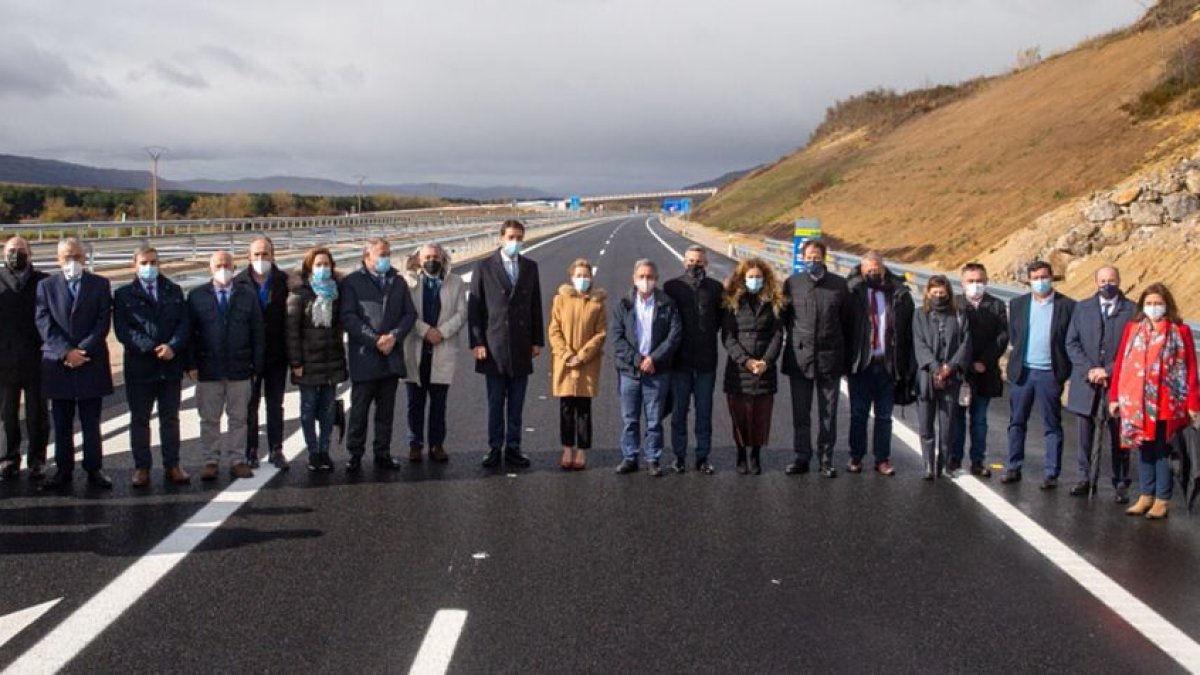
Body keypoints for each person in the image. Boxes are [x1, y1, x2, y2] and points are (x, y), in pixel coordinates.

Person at [1108, 283, 1200, 520]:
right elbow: (1121, 363)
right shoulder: (1133, 328)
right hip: (1136, 402)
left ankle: (1162, 498)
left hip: (1166, 402)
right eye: (1149, 303)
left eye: (1158, 303)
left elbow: (1190, 369)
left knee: (1163, 450)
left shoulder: (1180, 331)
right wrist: (1115, 397)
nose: (1154, 307)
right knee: (1144, 447)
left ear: (1167, 304)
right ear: (1142, 306)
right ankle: (1145, 494)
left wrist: (1193, 403)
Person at [35, 238, 114, 490]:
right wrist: (65, 352)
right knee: (61, 421)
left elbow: (102, 321)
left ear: (85, 258)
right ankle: (63, 469)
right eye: (68, 257)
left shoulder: (100, 284)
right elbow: (43, 321)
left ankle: (94, 468)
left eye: (78, 257)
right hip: (58, 363)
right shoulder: (46, 286)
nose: (73, 262)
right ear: (59, 259)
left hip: (90, 360)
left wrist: (82, 350)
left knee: (92, 422)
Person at [468, 220, 544, 468]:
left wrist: (536, 340)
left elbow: (535, 305)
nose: (515, 242)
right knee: (495, 401)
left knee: (517, 403)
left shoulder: (530, 267)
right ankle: (494, 447)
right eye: (511, 237)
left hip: (521, 345)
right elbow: (475, 308)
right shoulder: (485, 266)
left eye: (519, 237)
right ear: (501, 238)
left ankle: (514, 447)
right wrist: (477, 341)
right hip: (494, 345)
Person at [113, 246, 192, 487]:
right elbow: (123, 330)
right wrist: (151, 348)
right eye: (144, 262)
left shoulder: (173, 291)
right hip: (140, 366)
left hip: (170, 365)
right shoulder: (124, 294)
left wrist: (173, 346)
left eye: (153, 262)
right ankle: (142, 467)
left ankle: (173, 464)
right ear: (134, 265)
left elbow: (184, 324)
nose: (149, 267)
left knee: (170, 418)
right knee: (140, 419)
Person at [340, 238, 418, 471]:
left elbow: (409, 314)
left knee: (386, 412)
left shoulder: (397, 281)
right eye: (381, 254)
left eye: (388, 254)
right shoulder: (352, 282)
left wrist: (394, 336)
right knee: (360, 411)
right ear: (367, 257)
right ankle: (355, 454)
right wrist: (374, 339)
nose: (386, 258)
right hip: (365, 356)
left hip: (391, 357)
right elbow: (349, 317)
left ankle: (382, 452)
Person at [186, 251, 264, 481]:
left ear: (234, 266)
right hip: (208, 368)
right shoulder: (197, 296)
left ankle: (237, 459)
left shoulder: (247, 295)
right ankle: (210, 460)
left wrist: (256, 364)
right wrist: (191, 363)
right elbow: (189, 333)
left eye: (227, 265)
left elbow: (257, 331)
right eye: (219, 265)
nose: (223, 269)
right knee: (209, 418)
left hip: (240, 367)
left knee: (239, 417)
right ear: (210, 268)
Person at [781, 240, 854, 478]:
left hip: (829, 359)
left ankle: (826, 459)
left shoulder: (839, 285)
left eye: (817, 256)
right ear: (802, 258)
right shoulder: (792, 284)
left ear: (824, 257)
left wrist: (845, 360)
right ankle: (802, 456)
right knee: (801, 413)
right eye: (808, 256)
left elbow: (846, 322)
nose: (812, 260)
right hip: (800, 358)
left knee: (828, 413)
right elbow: (785, 319)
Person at [1064, 265, 1136, 501]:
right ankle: (1085, 477)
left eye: (1112, 280)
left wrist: (1108, 371)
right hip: (1087, 382)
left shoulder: (1132, 311)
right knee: (1084, 433)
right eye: (1103, 280)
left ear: (1119, 281)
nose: (1107, 285)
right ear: (1096, 282)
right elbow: (1071, 343)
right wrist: (1089, 370)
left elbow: (1132, 350)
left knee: (1119, 435)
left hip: (1117, 384)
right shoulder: (1082, 308)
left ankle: (1121, 482)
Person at [1002, 261, 1075, 488]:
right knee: (1016, 422)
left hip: (1049, 374)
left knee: (1051, 424)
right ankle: (1013, 466)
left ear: (1052, 277)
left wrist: (1062, 372)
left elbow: (1070, 339)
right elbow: (1014, 335)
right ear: (1029, 280)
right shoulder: (1018, 304)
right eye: (1035, 277)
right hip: (1023, 372)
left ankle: (1051, 472)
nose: (1040, 281)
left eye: (1044, 276)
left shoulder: (1067, 306)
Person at [846, 251, 914, 476]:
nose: (873, 273)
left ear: (884, 269)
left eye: (877, 269)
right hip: (862, 363)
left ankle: (882, 459)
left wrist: (907, 366)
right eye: (868, 270)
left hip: (888, 364)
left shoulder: (899, 294)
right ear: (862, 271)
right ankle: (856, 456)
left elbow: (908, 331)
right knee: (858, 414)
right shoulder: (853, 292)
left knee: (884, 416)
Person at [612, 259, 681, 476]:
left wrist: (654, 359)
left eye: (650, 277)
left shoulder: (667, 304)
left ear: (656, 279)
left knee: (654, 420)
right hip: (630, 371)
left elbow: (674, 335)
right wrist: (638, 360)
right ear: (634, 279)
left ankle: (653, 458)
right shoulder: (623, 304)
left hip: (657, 371)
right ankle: (630, 456)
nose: (645, 281)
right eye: (641, 277)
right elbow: (617, 338)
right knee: (630, 419)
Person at [401, 243, 467, 464]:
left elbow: (461, 313)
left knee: (439, 403)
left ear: (442, 258)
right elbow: (405, 311)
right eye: (427, 257)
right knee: (414, 402)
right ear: (419, 259)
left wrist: (442, 332)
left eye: (436, 257)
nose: (432, 261)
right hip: (416, 347)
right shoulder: (408, 282)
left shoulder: (455, 282)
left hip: (442, 346)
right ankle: (415, 444)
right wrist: (425, 330)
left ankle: (437, 444)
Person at [663, 245, 724, 475]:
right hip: (679, 362)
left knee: (704, 412)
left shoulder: (716, 288)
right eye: (690, 261)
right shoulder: (672, 287)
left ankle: (702, 457)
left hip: (706, 361)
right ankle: (679, 456)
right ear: (684, 262)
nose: (694, 265)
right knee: (679, 412)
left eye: (698, 262)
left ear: (706, 263)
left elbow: (719, 320)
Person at [286, 247, 348, 472]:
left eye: (327, 264)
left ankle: (325, 450)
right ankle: (312, 452)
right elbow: (292, 332)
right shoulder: (298, 294)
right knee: (308, 409)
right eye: (318, 264)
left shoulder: (337, 293)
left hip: (331, 359)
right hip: (307, 362)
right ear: (310, 267)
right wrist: (296, 363)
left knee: (328, 409)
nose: (323, 268)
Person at [721, 258, 784, 475]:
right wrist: (745, 361)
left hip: (764, 369)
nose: (755, 280)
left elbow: (778, 335)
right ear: (742, 278)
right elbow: (728, 337)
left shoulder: (773, 302)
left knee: (760, 415)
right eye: (751, 277)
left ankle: (755, 454)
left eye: (758, 277)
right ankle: (741, 453)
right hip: (738, 370)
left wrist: (766, 361)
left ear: (765, 278)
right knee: (739, 414)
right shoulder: (732, 302)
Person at [235, 236, 290, 470]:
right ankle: (251, 450)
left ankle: (276, 449)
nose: (261, 258)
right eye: (256, 254)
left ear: (273, 255)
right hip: (249, 355)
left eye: (265, 254)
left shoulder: (285, 281)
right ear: (248, 256)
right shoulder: (238, 283)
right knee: (250, 404)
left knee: (275, 404)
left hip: (277, 353)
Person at [949, 262, 1008, 478]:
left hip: (985, 372)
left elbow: (1002, 337)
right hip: (960, 372)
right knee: (957, 418)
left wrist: (984, 360)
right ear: (962, 283)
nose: (976, 285)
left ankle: (977, 460)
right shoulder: (955, 304)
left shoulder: (997, 305)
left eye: (980, 281)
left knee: (980, 419)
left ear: (986, 281)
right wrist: (961, 362)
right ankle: (954, 458)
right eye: (971, 281)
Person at [548, 258, 607, 470]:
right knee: (565, 408)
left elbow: (600, 333)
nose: (582, 279)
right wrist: (566, 355)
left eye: (586, 275)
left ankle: (582, 451)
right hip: (564, 363)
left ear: (591, 278)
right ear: (572, 278)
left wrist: (581, 356)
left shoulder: (597, 303)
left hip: (587, 363)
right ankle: (566, 448)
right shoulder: (560, 300)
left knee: (584, 409)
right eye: (579, 275)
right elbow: (554, 330)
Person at [0, 237, 49, 482]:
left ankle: (37, 460)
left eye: (21, 250)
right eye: (11, 250)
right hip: (4, 361)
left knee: (37, 414)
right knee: (7, 413)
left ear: (30, 255)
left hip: (37, 358)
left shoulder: (44, 281)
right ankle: (9, 458)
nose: (16, 254)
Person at [913, 276, 972, 480]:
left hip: (951, 377)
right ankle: (928, 464)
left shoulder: (959, 314)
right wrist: (935, 367)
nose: (939, 296)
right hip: (926, 376)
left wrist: (951, 366)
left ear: (948, 293)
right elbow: (919, 343)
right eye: (935, 292)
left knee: (947, 424)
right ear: (928, 293)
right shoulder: (920, 314)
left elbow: (965, 343)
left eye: (942, 292)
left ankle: (945, 464)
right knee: (926, 423)